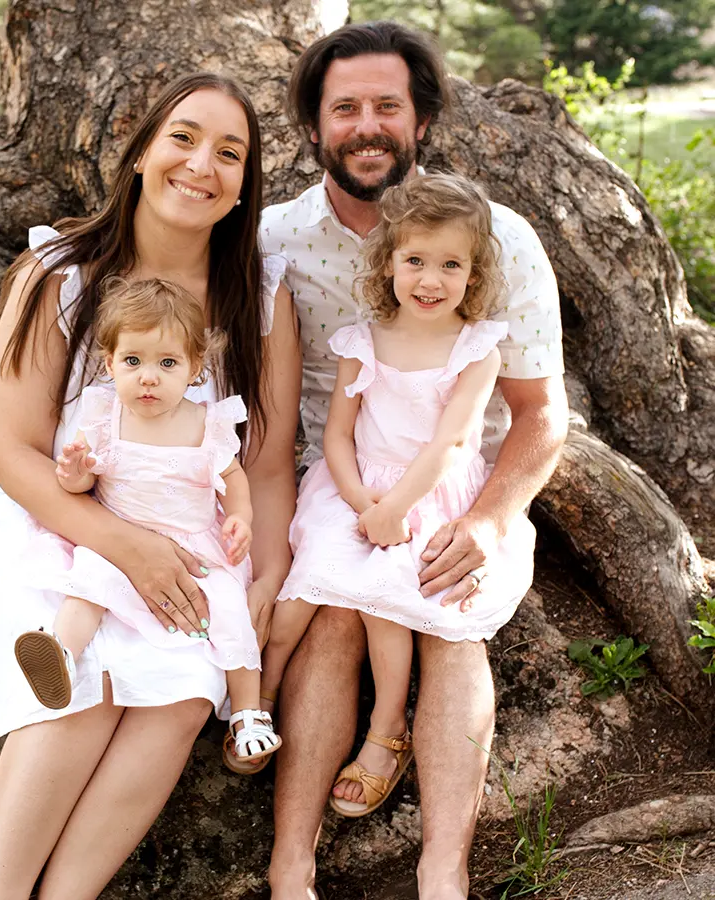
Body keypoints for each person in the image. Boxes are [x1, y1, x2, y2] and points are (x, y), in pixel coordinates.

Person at [0, 72, 300, 900]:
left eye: (230, 152)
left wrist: (266, 574)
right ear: (141, 152)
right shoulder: (60, 272)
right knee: (86, 683)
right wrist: (124, 547)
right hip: (61, 518)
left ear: (245, 184)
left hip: (189, 529)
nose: (201, 164)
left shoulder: (260, 296)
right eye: (183, 137)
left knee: (180, 698)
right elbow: (15, 450)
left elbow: (269, 464)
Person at [259, 22, 569, 900]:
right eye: (344, 107)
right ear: (315, 127)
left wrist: (486, 518)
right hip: (339, 481)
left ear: (421, 119)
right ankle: (291, 867)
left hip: (450, 483)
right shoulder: (275, 239)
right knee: (328, 618)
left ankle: (444, 871)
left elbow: (541, 415)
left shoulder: (498, 238)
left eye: (386, 106)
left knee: (451, 617)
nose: (367, 125)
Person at [263, 172, 536, 818]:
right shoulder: (364, 341)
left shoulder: (477, 350)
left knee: (386, 596)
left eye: (450, 265)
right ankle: (256, 701)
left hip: (431, 493)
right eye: (415, 260)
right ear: (389, 263)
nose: (430, 280)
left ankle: (388, 727)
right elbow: (336, 436)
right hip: (353, 487)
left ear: (475, 273)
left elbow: (448, 445)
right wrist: (361, 503)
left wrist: (392, 511)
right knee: (299, 593)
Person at [12, 276, 281, 762]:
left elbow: (233, 477)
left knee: (229, 611)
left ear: (196, 368)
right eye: (132, 361)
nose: (148, 377)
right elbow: (82, 485)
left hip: (194, 545)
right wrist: (73, 474)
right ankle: (61, 657)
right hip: (121, 538)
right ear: (109, 362)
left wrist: (240, 516)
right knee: (89, 583)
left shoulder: (206, 425)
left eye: (167, 363)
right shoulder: (104, 418)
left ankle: (247, 712)